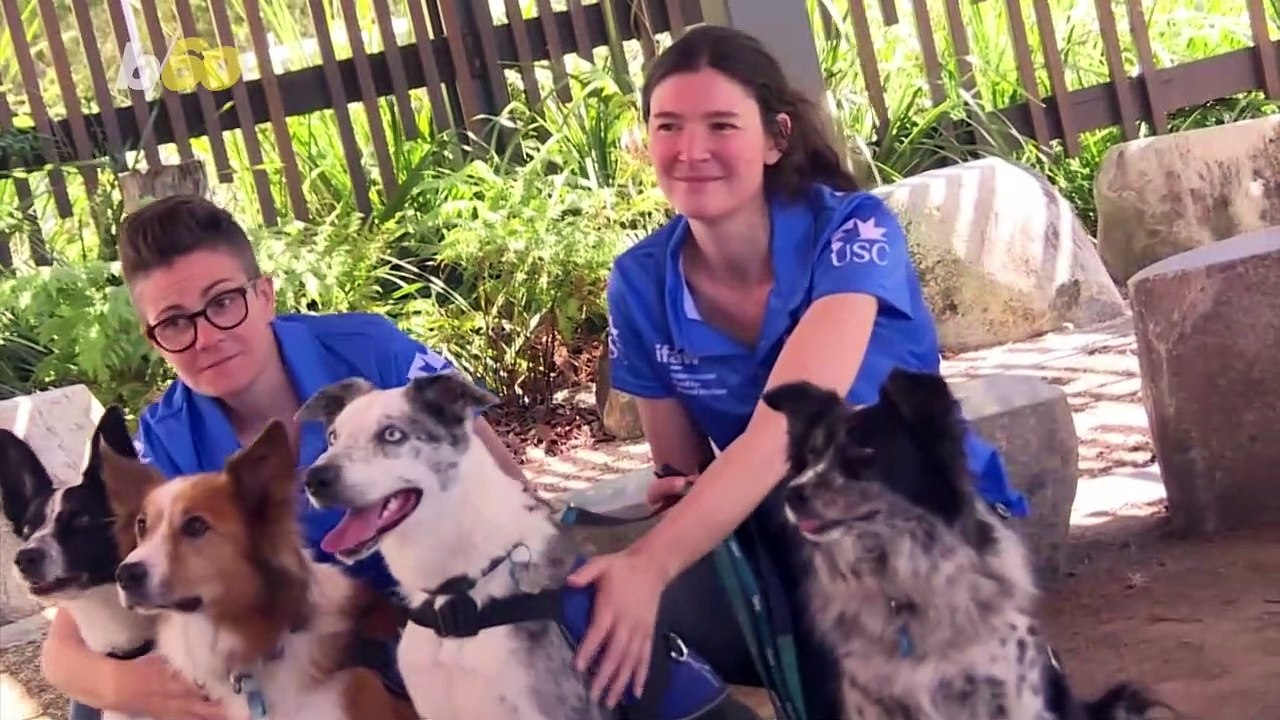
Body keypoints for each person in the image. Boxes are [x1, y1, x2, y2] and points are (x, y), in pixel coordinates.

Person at [564, 24, 1030, 718]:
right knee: (584, 612)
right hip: (786, 539)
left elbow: (786, 429)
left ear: (776, 137)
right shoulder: (639, 280)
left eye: (721, 124)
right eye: (668, 126)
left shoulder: (852, 232)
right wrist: (675, 493)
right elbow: (678, 466)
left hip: (930, 524)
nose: (691, 151)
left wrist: (650, 564)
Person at [44, 194, 529, 720]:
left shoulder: (370, 352)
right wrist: (113, 685)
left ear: (265, 295)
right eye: (176, 323)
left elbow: (511, 492)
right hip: (295, 655)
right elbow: (72, 637)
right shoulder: (167, 439)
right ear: (153, 339)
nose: (206, 337)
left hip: (438, 616)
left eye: (224, 301)